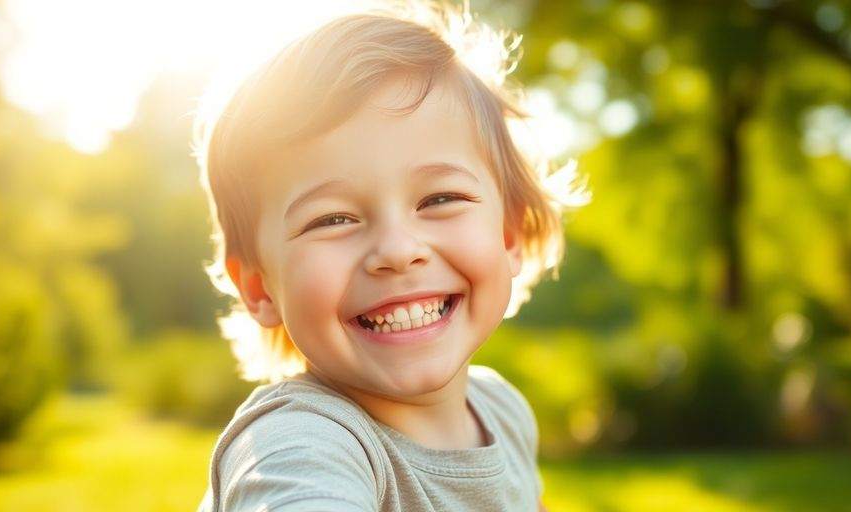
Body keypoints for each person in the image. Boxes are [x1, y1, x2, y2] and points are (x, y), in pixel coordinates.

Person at [193, 1, 588, 510]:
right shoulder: (296, 443)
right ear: (258, 287)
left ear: (508, 236)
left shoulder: (504, 412)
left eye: (439, 199)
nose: (398, 252)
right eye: (332, 220)